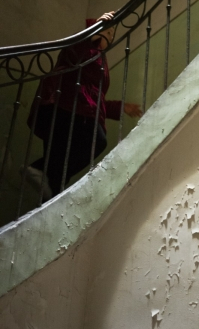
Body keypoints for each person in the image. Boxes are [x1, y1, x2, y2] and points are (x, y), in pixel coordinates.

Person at [24, 11, 142, 200]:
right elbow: (71, 57)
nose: (111, 37)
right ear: (97, 29)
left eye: (112, 34)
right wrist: (94, 30)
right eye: (108, 32)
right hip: (65, 105)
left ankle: (49, 192)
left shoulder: (98, 57)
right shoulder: (84, 45)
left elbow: (94, 96)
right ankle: (39, 169)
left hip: (76, 107)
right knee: (97, 139)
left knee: (56, 166)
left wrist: (119, 107)